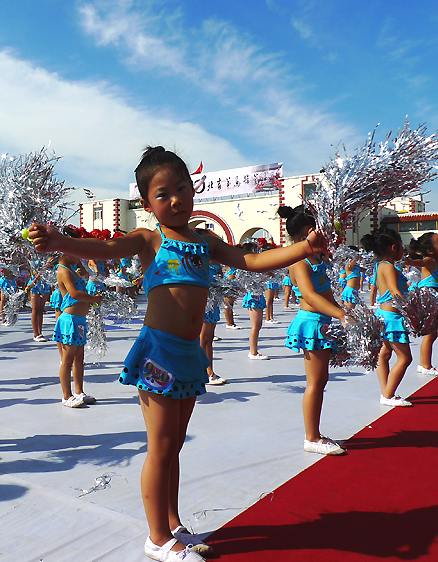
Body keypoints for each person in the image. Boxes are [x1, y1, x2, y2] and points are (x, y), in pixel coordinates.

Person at [29, 146, 325, 562]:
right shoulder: (150, 238)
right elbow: (105, 251)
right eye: (163, 193)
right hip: (159, 354)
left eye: (182, 188)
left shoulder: (205, 241)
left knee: (175, 444)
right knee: (162, 446)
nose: (176, 199)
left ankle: (171, 522)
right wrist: (60, 240)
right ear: (147, 204)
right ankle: (156, 539)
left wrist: (304, 249)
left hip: (189, 354)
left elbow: (254, 259)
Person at [279, 205, 348, 455]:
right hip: (312, 324)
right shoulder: (298, 260)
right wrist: (340, 314)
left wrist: (341, 312)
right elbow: (309, 294)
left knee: (320, 381)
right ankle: (311, 437)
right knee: (315, 383)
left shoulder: (315, 258)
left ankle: (315, 433)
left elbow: (325, 293)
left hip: (323, 321)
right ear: (311, 231)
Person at [361, 229, 413, 407]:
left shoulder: (378, 266)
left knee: (384, 354)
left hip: (382, 315)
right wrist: (413, 308)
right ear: (394, 247)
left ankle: (386, 391)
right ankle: (389, 395)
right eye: (402, 247)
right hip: (392, 317)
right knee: (405, 358)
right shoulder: (389, 266)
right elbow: (395, 291)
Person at [53, 231, 102, 407]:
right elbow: (74, 293)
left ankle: (79, 391)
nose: (80, 256)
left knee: (79, 359)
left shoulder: (73, 269)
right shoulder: (63, 270)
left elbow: (87, 278)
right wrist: (94, 299)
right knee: (67, 360)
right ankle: (66, 396)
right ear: (65, 251)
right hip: (70, 321)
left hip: (79, 321)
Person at [409, 232, 438, 376]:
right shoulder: (429, 261)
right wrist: (408, 261)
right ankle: (425, 365)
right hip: (427, 301)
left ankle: (425, 364)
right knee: (430, 334)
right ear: (431, 250)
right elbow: (419, 262)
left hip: (435, 302)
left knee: (432, 334)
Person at [241, 242, 269, 360]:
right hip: (253, 297)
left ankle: (254, 350)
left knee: (258, 325)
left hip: (258, 296)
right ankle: (253, 352)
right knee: (255, 326)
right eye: (254, 250)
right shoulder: (247, 266)